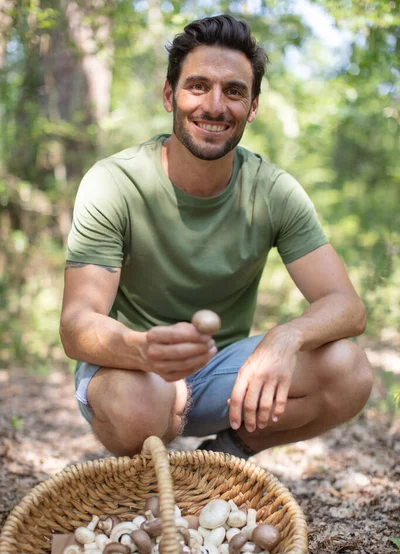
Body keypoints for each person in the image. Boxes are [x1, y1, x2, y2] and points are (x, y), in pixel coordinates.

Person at [60, 14, 373, 459]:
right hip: (130, 370)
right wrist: (143, 349)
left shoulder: (273, 189)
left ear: (253, 106)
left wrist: (286, 338)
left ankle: (223, 457)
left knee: (350, 370)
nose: (215, 105)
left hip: (221, 377)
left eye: (234, 91)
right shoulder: (114, 182)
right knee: (141, 403)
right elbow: (77, 326)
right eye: (198, 86)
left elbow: (348, 307)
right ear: (170, 95)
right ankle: (146, 475)